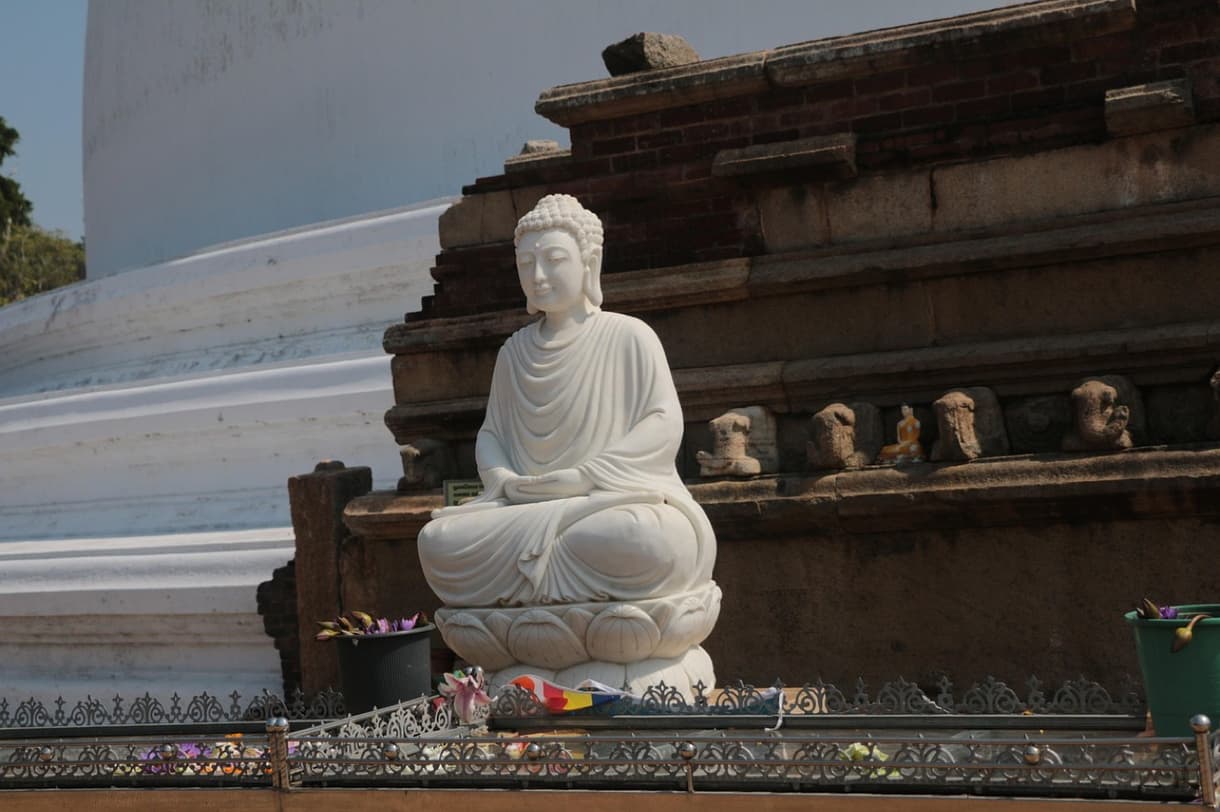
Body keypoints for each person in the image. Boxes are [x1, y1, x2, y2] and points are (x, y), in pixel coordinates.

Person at [417, 194, 715, 608]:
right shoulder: (514, 352)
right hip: (522, 507)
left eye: (554, 260)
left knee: (647, 536)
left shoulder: (628, 335)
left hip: (604, 501)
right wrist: (505, 480)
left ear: (589, 262)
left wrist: (585, 477)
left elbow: (662, 423)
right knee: (438, 540)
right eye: (525, 264)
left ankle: (538, 607)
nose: (538, 276)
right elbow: (492, 434)